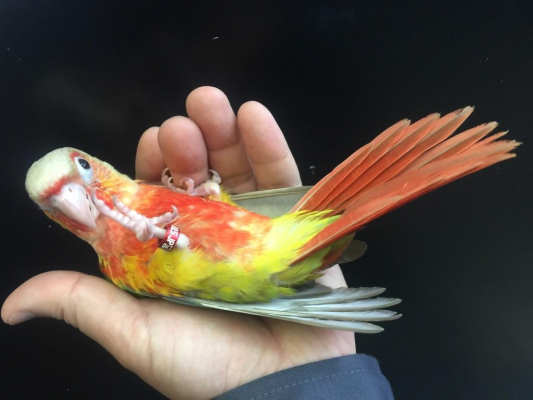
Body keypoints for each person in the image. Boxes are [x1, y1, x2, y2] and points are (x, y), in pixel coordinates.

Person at [2, 87, 394, 399]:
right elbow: (188, 264)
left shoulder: (149, 193)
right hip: (256, 265)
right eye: (55, 206)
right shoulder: (116, 266)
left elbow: (221, 223)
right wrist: (167, 237)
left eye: (83, 169)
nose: (74, 200)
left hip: (259, 235)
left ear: (94, 162)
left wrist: (207, 195)